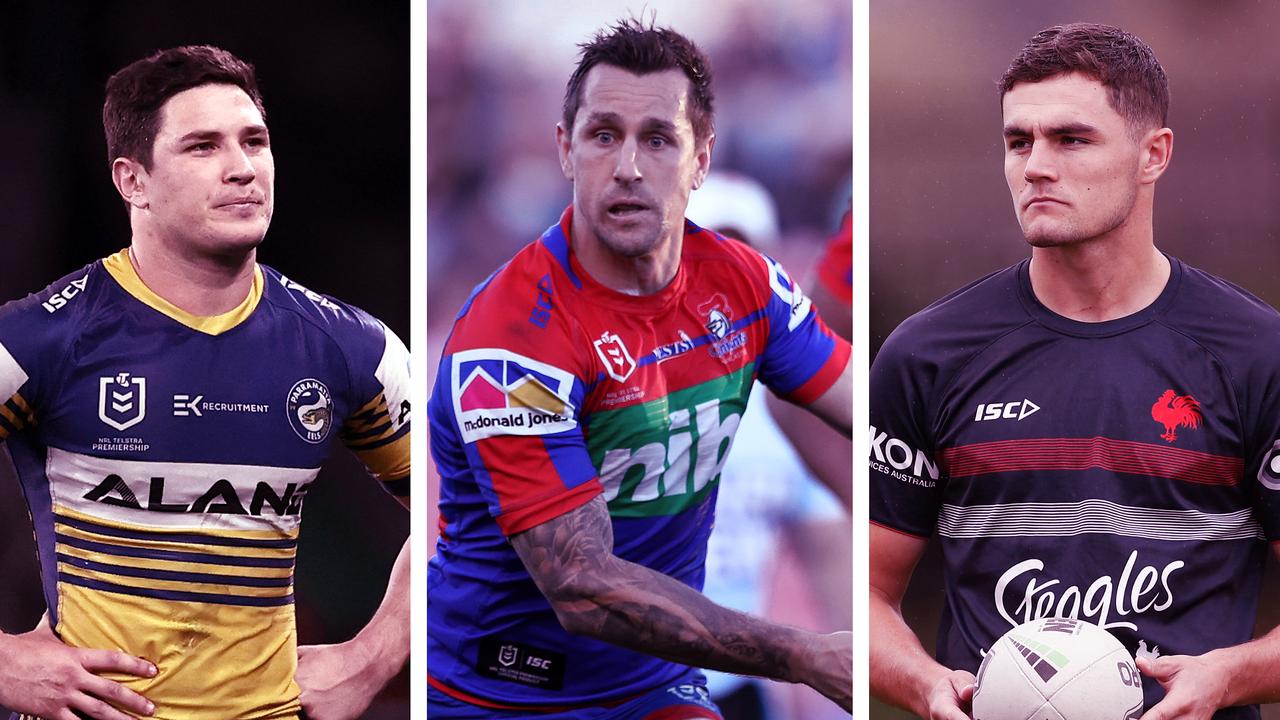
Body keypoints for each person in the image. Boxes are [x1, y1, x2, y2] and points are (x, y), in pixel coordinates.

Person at [427, 17, 853, 719]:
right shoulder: (510, 342)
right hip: (499, 695)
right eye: (604, 136)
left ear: (702, 156)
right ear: (565, 149)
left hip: (651, 687)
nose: (627, 167)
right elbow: (582, 588)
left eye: (658, 138)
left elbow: (863, 410)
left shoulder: (746, 283)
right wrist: (804, 653)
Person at [870, 23, 1280, 720]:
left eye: (1071, 139)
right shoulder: (928, 355)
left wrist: (1229, 677)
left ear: (1154, 155)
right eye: (1017, 141)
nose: (1035, 165)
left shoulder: (1255, 355)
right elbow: (869, 591)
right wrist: (923, 683)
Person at [0, 46, 410, 720]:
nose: (243, 168)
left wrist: (372, 658)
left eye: (255, 141)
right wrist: (6, 663)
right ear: (134, 181)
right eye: (202, 146)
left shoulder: (352, 348)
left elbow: (469, 506)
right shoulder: (43, 339)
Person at [686, 173, 852, 720]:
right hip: (623, 671)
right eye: (708, 253)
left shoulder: (795, 404)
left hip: (736, 679)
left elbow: (831, 562)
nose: (724, 276)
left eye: (742, 254)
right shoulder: (622, 384)